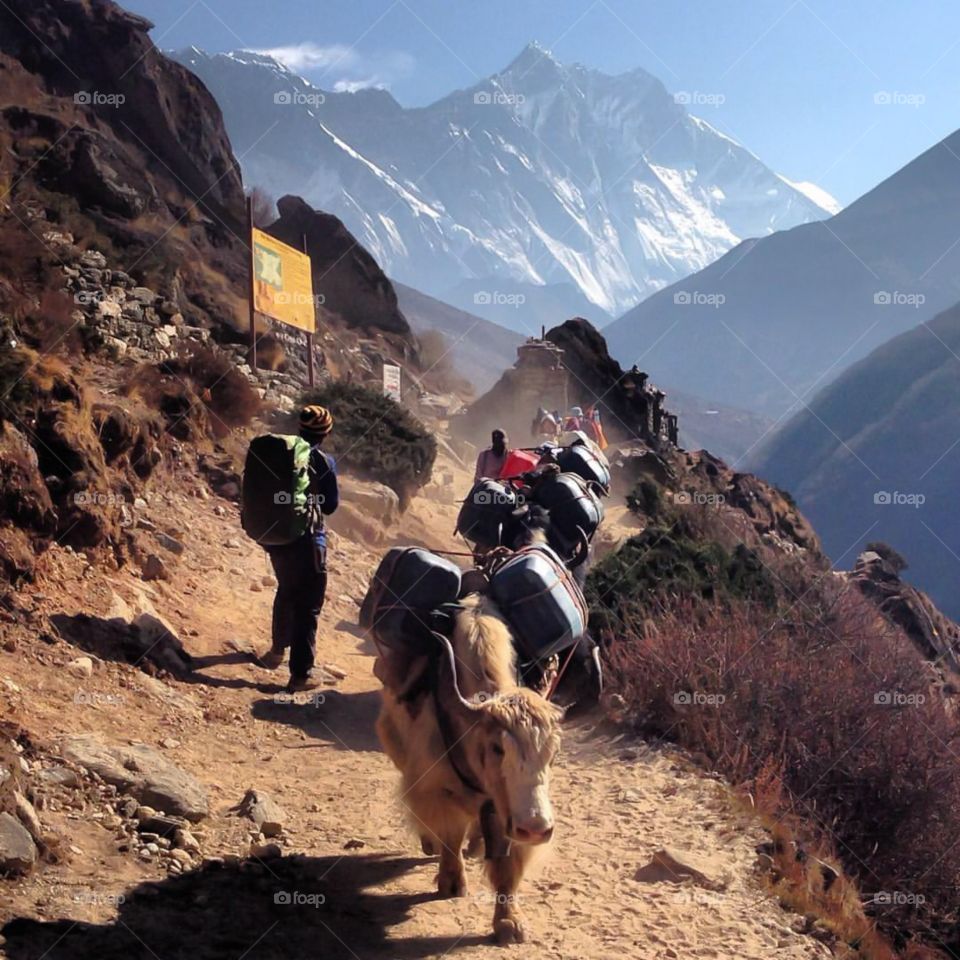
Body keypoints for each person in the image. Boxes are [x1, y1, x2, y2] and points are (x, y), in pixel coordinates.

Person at [259, 405, 340, 691]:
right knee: (308, 606)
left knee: (286, 590)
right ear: (325, 433)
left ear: (300, 428)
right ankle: (300, 675)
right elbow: (330, 506)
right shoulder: (324, 461)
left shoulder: (283, 452)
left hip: (277, 538)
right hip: (308, 542)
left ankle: (275, 653)